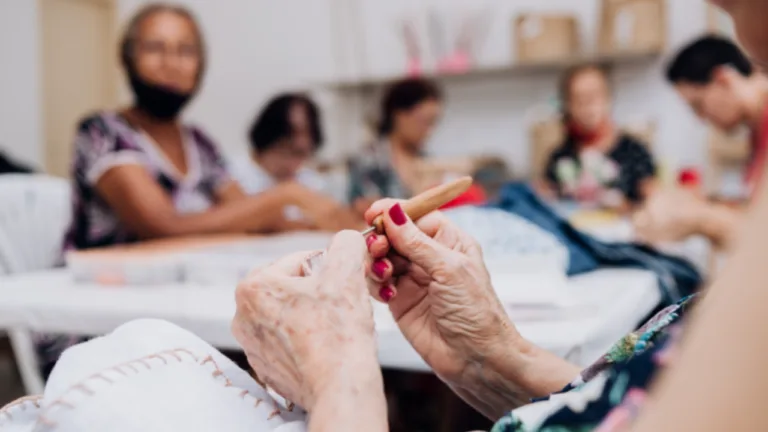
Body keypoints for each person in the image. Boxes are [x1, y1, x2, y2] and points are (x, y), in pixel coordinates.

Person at [65, 4, 347, 252]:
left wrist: (337, 222)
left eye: (185, 51)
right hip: (104, 292)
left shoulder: (199, 144)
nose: (171, 63)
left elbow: (248, 215)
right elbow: (162, 226)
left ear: (200, 65)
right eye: (154, 48)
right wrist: (287, 194)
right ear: (127, 58)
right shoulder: (102, 132)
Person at [634, 35, 763, 247]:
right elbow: (758, 214)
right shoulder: (757, 126)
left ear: (723, 79)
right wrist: (703, 203)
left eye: (698, 104)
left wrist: (699, 217)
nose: (700, 118)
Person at [540, 64, 657, 210]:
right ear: (567, 105)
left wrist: (625, 206)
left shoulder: (635, 152)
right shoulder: (560, 157)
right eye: (578, 99)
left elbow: (653, 205)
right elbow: (546, 203)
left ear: (608, 98)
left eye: (593, 96)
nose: (587, 106)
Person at [347, 78, 444, 211]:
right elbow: (366, 209)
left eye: (433, 123)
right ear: (400, 115)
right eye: (425, 121)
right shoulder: (371, 160)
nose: (429, 130)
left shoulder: (425, 158)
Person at [233, 93, 327, 196]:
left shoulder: (311, 182)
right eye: (287, 152)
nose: (292, 164)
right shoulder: (231, 176)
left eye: (301, 154)